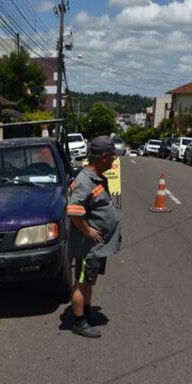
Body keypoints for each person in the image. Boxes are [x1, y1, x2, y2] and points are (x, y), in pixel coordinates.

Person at [66, 135, 122, 338]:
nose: (114, 161)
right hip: (86, 246)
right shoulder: (85, 180)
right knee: (82, 281)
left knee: (88, 281)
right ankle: (79, 322)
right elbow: (73, 209)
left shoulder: (96, 177)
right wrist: (88, 230)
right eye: (112, 157)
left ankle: (87, 313)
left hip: (96, 247)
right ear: (103, 157)